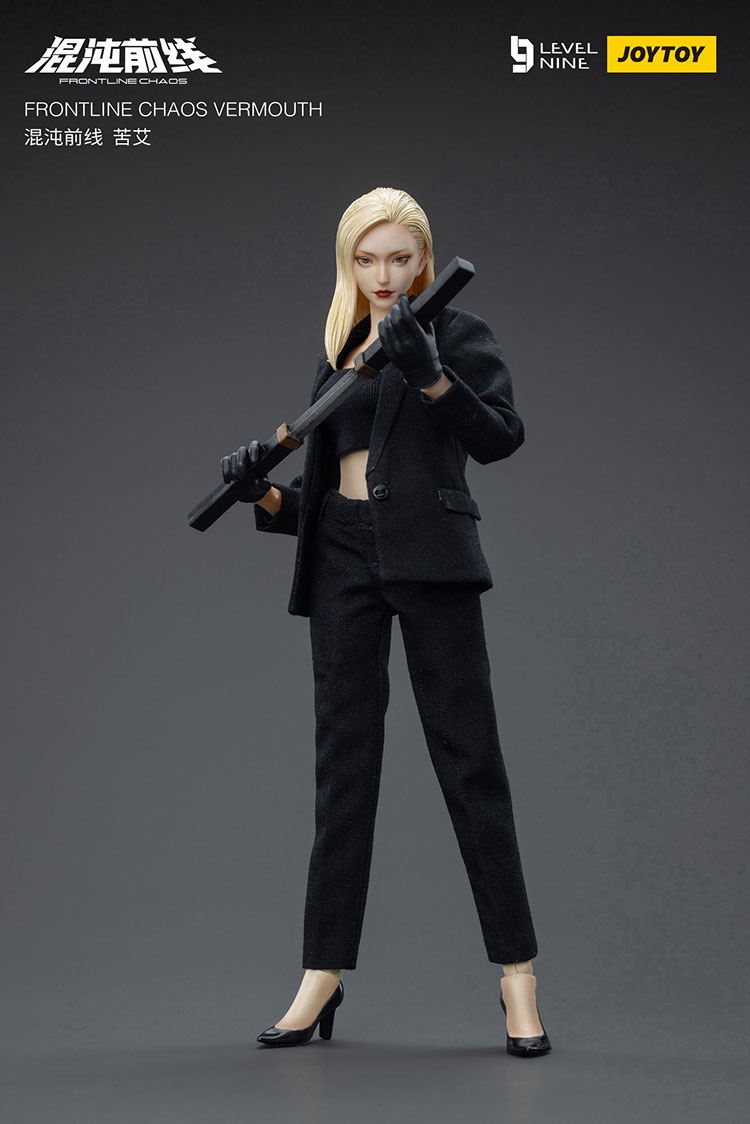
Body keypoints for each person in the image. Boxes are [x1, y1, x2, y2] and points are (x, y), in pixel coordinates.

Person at [222, 187, 551, 1056]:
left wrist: (432, 373)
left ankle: (518, 977)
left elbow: (500, 438)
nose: (383, 274)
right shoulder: (339, 348)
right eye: (366, 258)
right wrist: (263, 494)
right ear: (347, 263)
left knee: (470, 763)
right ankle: (321, 973)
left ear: (424, 259)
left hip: (432, 557)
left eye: (400, 257)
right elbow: (327, 490)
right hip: (342, 558)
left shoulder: (458, 333)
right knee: (343, 772)